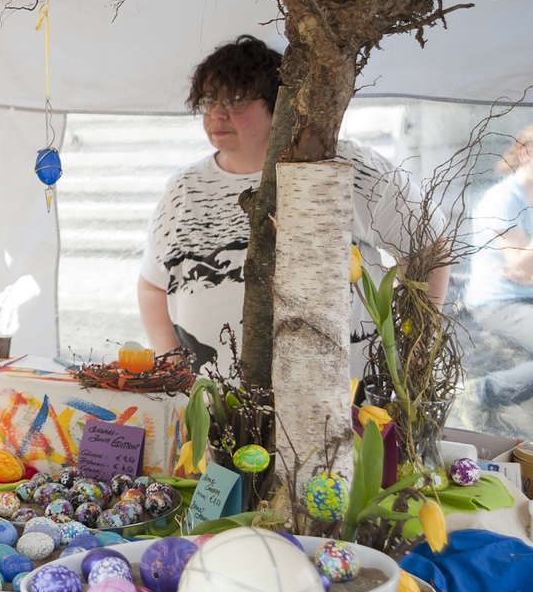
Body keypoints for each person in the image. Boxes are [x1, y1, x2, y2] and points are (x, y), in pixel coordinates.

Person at [137, 34, 448, 377]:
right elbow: (152, 285)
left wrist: (417, 342)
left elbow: (428, 246)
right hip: (214, 409)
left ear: (280, 103)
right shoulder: (183, 189)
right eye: (209, 102)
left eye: (236, 100)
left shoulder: (344, 165)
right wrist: (172, 367)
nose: (217, 114)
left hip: (341, 403)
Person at [465, 125, 533, 411]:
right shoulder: (503, 198)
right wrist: (524, 271)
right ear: (525, 152)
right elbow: (519, 266)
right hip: (497, 301)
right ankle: (484, 393)